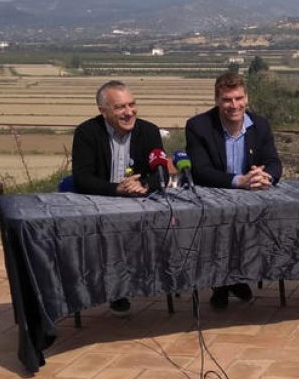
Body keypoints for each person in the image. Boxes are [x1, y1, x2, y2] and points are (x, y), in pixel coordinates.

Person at [185, 71, 282, 309]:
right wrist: (240, 181)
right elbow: (201, 171)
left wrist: (264, 176)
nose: (234, 105)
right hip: (214, 197)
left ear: (246, 98)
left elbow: (274, 163)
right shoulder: (198, 126)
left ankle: (239, 278)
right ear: (217, 100)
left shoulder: (260, 125)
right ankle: (222, 284)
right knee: (221, 229)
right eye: (227, 99)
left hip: (251, 199)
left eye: (239, 98)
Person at [71, 80, 166, 316]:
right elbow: (82, 179)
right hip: (101, 202)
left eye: (132, 105)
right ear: (103, 111)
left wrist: (143, 184)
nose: (129, 112)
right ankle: (115, 289)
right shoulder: (86, 133)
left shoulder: (149, 131)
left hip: (139, 203)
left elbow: (160, 173)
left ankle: (155, 280)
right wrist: (117, 190)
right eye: (120, 107)